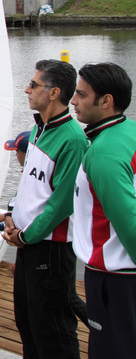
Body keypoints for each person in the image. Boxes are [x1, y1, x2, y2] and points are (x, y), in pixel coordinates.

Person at [0, 60, 87, 359]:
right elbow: (32, 187)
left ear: (55, 92)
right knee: (27, 325)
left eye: (34, 85)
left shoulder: (73, 140)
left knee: (53, 331)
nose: (26, 89)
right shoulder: (37, 130)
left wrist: (25, 235)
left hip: (51, 250)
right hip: (29, 244)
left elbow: (62, 203)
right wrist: (11, 215)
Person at [70, 62, 136, 358]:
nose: (73, 101)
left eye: (81, 95)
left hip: (115, 279)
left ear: (106, 101)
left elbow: (129, 222)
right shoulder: (129, 130)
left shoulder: (103, 153)